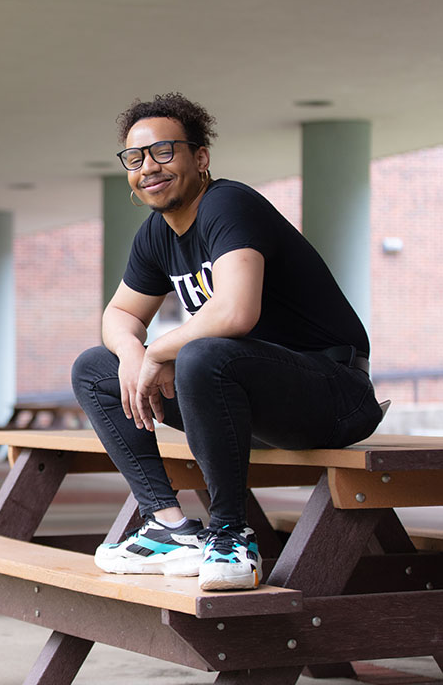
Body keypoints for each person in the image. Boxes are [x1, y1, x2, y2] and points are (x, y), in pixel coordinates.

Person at [72, 92, 383, 591]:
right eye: (135, 158)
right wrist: (133, 355)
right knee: (96, 368)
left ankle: (232, 534)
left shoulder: (227, 203)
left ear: (201, 157)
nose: (148, 167)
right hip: (242, 399)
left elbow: (236, 312)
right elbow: (120, 313)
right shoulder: (156, 234)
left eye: (164, 151)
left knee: (204, 354)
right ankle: (167, 527)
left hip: (332, 392)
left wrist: (156, 350)